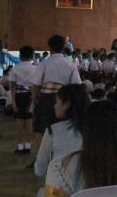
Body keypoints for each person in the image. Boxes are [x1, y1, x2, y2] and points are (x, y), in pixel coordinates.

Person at [31, 35, 82, 163]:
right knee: (63, 129)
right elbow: (77, 85)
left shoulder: (44, 63)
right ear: (64, 47)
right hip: (64, 100)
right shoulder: (70, 64)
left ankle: (40, 160)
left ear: (49, 47)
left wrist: (34, 100)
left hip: (45, 99)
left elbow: (36, 85)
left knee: (41, 130)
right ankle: (60, 159)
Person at [34, 84, 89, 177]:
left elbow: (40, 169)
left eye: (57, 102)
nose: (54, 106)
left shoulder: (53, 131)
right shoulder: (95, 129)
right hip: (90, 184)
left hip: (60, 184)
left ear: (67, 104)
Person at [9, 45, 37, 153]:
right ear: (32, 56)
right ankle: (28, 146)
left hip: (19, 96)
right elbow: (37, 86)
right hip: (31, 95)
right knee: (29, 121)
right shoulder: (36, 68)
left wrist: (13, 102)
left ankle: (20, 147)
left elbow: (12, 87)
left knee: (19, 122)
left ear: (20, 56)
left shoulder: (15, 68)